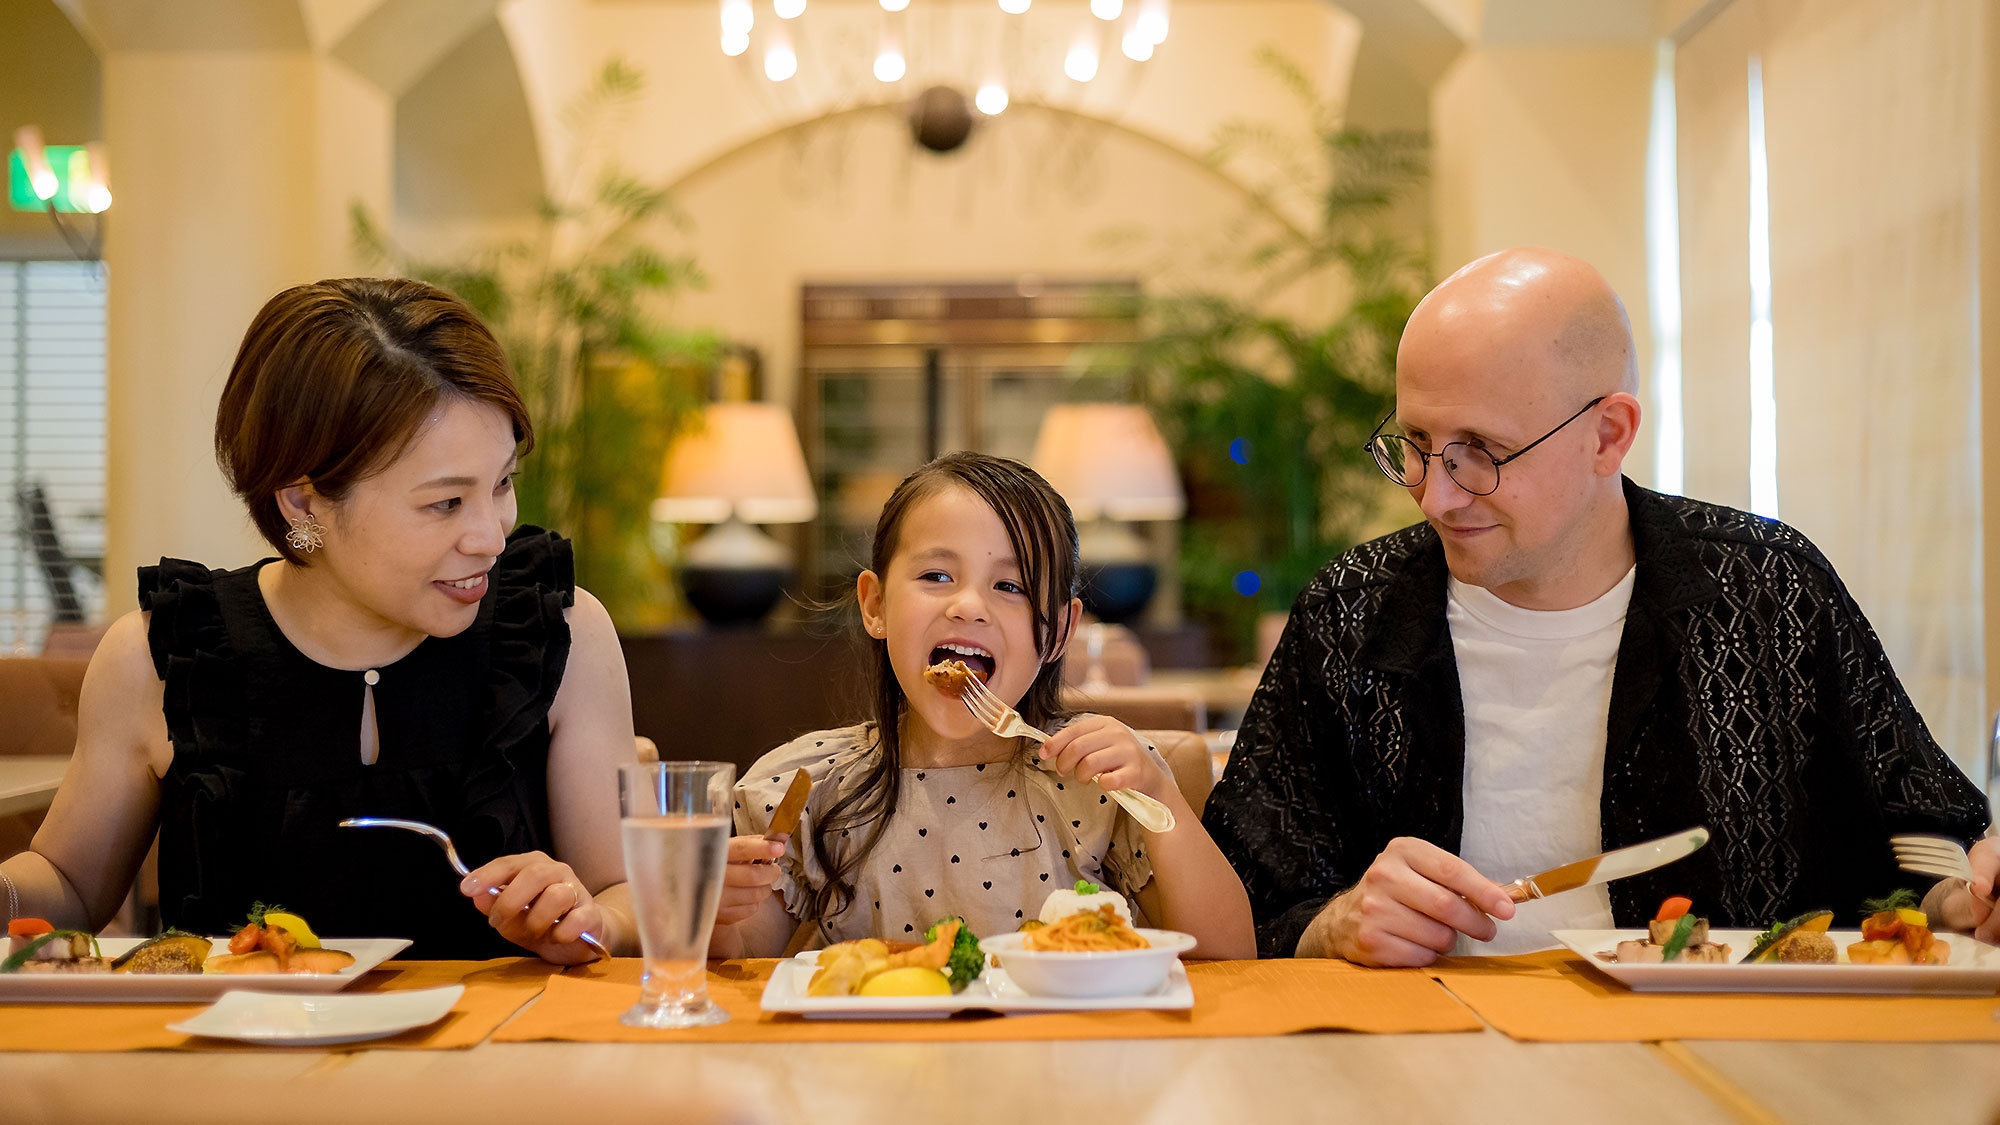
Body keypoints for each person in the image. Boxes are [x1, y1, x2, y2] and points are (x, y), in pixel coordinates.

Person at [1203, 248, 1996, 965]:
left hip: (1724, 1065)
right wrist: (1332, 922)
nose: (1434, 493)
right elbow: (1234, 900)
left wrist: (1971, 897)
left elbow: (1922, 839)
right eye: (1415, 442)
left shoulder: (1766, 595)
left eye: (1480, 451)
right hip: (1422, 1063)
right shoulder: (1351, 616)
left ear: (1608, 434)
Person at [0, 278, 637, 962]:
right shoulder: (165, 659)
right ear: (303, 501)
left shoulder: (554, 634)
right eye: (447, 503)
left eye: (503, 482)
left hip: (496, 1061)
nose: (491, 533)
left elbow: (626, 899)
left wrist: (588, 915)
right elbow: (68, 884)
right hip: (231, 1061)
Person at [709, 452, 1254, 959]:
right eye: (936, 576)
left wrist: (1161, 796)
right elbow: (741, 955)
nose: (968, 606)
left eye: (1011, 586)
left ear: (1060, 629)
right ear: (875, 605)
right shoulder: (814, 784)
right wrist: (719, 910)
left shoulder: (1099, 782)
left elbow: (1229, 958)